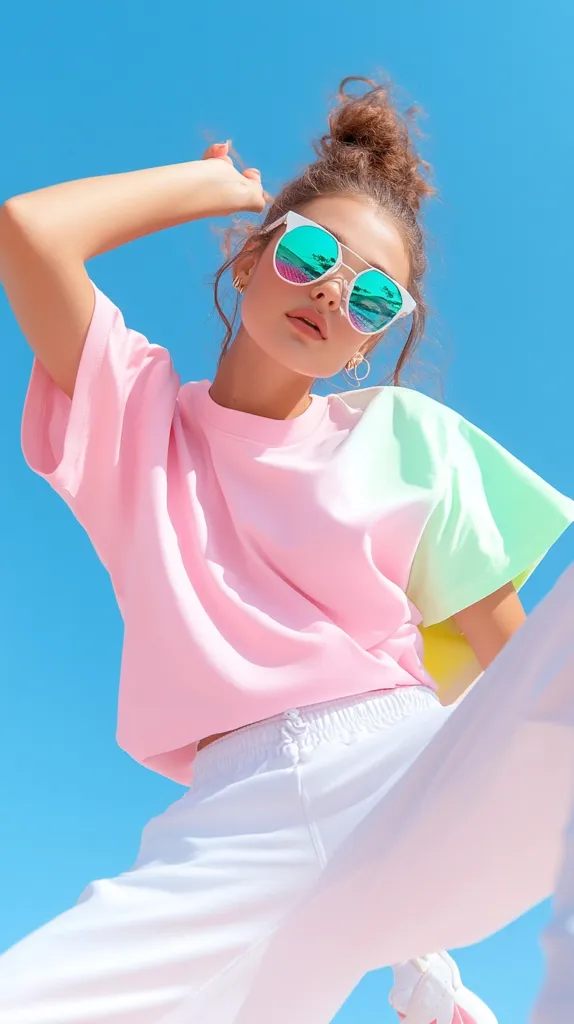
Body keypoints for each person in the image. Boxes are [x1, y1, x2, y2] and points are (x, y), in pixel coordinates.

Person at [0, 75, 572, 1024]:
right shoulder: (134, 414)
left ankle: (412, 939)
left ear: (368, 343)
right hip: (234, 824)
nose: (334, 292)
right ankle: (401, 949)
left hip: (402, 765)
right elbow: (29, 232)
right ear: (251, 258)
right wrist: (211, 184)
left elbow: (518, 666)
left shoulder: (402, 435)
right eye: (311, 253)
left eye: (373, 297)